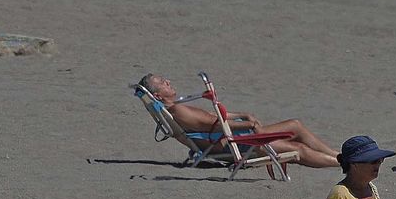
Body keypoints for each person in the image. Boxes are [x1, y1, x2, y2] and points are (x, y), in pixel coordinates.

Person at [139, 73, 340, 168]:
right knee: (297, 148)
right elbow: (216, 125)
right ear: (157, 95)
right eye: (163, 83)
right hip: (233, 143)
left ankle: (338, 155)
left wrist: (242, 115)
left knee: (295, 128)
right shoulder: (179, 111)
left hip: (227, 139)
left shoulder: (176, 109)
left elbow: (213, 119)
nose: (168, 81)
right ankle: (342, 162)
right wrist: (248, 124)